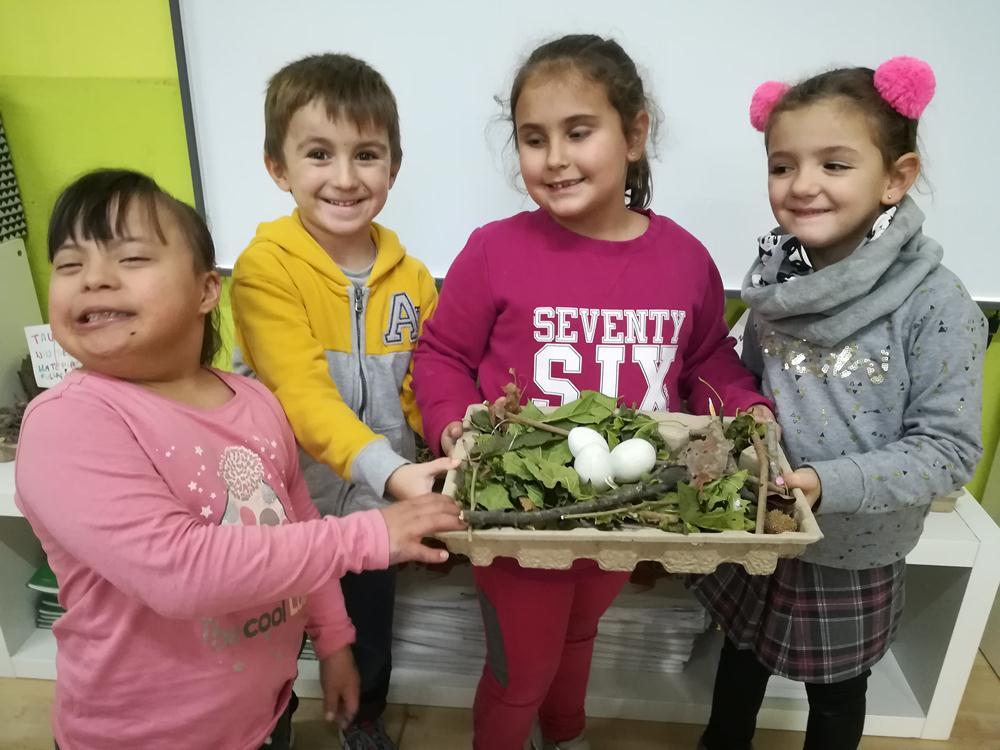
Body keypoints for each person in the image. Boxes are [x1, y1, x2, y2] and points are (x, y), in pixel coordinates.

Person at [14, 169, 464, 750]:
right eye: (70, 264)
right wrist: (369, 534)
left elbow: (300, 527)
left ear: (207, 290)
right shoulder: (67, 422)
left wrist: (333, 640)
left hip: (263, 715)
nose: (94, 279)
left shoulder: (254, 401)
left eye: (130, 259)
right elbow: (179, 573)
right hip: (138, 738)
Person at [412, 34, 771, 750]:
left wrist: (746, 408)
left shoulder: (684, 259)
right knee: (522, 670)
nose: (555, 157)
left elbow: (704, 359)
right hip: (520, 515)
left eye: (579, 132)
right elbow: (442, 354)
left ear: (634, 135)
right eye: (534, 139)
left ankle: (565, 733)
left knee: (581, 633)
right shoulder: (494, 251)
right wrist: (452, 424)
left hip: (623, 511)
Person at [694, 57, 987, 750]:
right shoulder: (775, 286)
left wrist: (827, 485)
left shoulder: (937, 303)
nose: (802, 185)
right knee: (740, 652)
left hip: (855, 546)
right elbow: (749, 387)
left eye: (834, 164)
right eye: (782, 165)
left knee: (838, 689)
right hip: (762, 527)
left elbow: (948, 452)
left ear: (896, 178)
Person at [230, 54, 454, 750]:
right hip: (280, 507)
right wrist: (392, 470)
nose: (347, 177)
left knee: (367, 629)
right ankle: (267, 724)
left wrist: (453, 439)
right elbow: (301, 395)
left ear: (393, 166)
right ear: (279, 167)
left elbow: (423, 385)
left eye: (367, 154)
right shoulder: (264, 268)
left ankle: (363, 718)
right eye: (319, 154)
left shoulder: (413, 278)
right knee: (266, 634)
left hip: (375, 508)